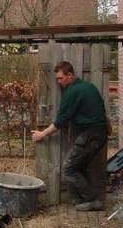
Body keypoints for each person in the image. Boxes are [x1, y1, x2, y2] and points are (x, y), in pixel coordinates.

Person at [31, 61, 110, 211]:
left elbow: (61, 121)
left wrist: (42, 134)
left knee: (69, 168)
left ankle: (93, 200)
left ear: (70, 75)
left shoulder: (73, 92)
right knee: (80, 167)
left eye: (61, 78)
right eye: (57, 79)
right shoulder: (88, 87)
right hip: (98, 134)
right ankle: (79, 199)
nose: (59, 82)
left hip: (90, 135)